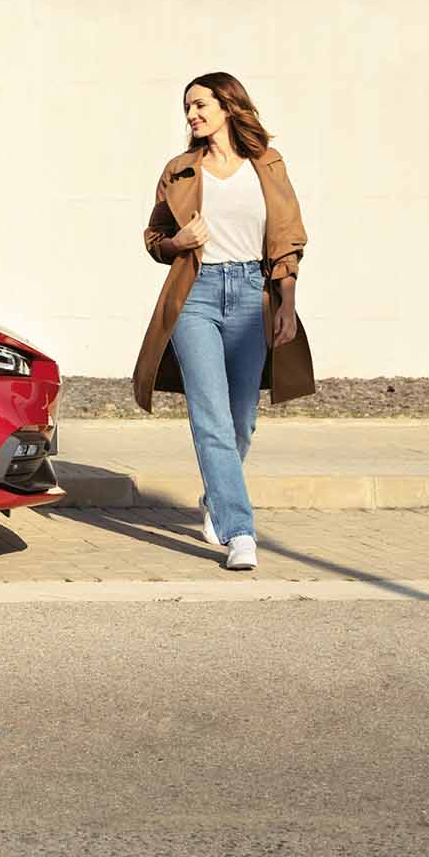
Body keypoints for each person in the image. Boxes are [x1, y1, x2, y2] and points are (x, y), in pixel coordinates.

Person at [132, 72, 315, 570]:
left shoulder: (267, 166)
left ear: (229, 106)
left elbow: (288, 238)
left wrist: (287, 304)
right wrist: (178, 244)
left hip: (252, 296)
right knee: (210, 416)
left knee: (242, 419)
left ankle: (215, 496)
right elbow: (154, 238)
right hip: (196, 295)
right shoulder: (180, 170)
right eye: (187, 108)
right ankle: (240, 532)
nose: (191, 115)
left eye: (200, 105)